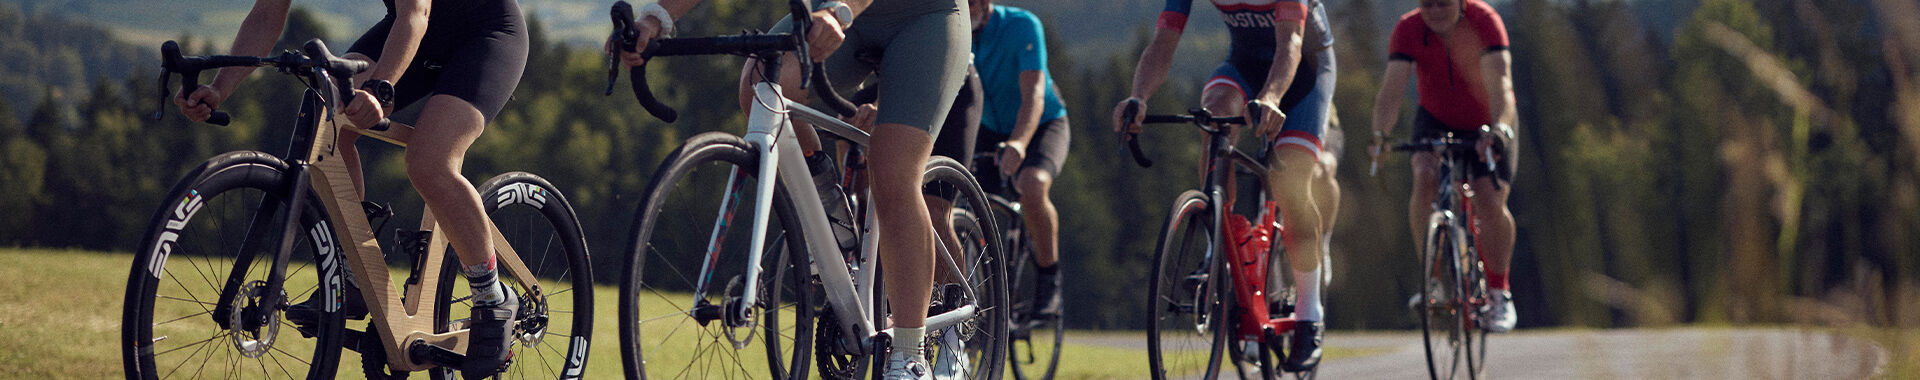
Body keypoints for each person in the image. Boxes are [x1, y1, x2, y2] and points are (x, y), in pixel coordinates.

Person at [614, 0, 971, 378]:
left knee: (892, 170)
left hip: (925, 17)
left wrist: (840, 10)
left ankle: (909, 354)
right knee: (760, 88)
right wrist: (657, 17)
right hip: (835, 13)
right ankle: (829, 210)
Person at [174, 0, 530, 376]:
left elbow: (416, 13)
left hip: (484, 35)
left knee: (429, 161)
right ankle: (354, 276)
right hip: (410, 32)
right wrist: (219, 88)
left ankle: (492, 296)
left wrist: (381, 89)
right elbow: (266, 15)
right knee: (326, 115)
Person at [1111, 0, 1338, 371]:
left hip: (1305, 73)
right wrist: (1139, 97)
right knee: (1214, 113)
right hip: (1245, 64)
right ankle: (1218, 246)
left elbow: (1291, 43)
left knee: (1292, 183)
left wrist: (1271, 97)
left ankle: (1310, 313)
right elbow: (1164, 42)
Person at [1366, 0, 1519, 333]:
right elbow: (1391, 92)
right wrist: (1380, 136)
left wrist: (1499, 130)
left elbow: (1501, 86)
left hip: (1488, 119)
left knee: (1489, 199)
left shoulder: (1485, 21)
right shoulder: (1408, 28)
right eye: (1426, 3)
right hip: (1435, 118)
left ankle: (1498, 291)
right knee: (1424, 176)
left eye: (1443, 3)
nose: (1434, 10)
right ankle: (1431, 280)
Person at [966, 0, 1071, 321]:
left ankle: (1048, 275)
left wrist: (1019, 142)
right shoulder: (954, 28)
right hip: (987, 127)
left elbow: (1034, 94)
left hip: (1042, 124)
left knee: (1032, 185)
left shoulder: (1022, 25)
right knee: (956, 198)